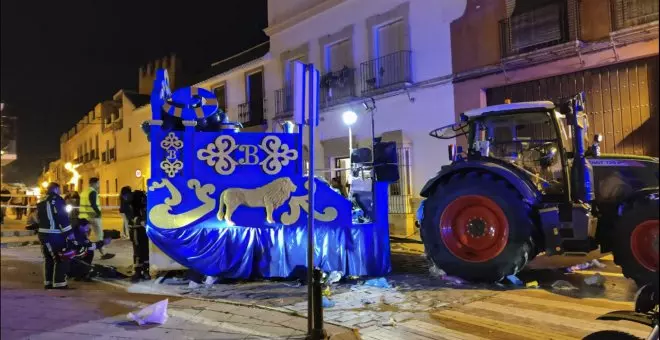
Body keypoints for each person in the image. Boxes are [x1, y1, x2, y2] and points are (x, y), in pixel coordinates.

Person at [37, 182, 74, 289]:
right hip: (54, 234)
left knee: (49, 259)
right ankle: (59, 283)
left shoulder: (41, 200)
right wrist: (69, 233)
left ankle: (48, 282)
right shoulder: (57, 200)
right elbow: (62, 217)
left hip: (43, 233)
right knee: (60, 258)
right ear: (56, 189)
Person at [79, 178, 114, 260]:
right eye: (98, 183)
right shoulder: (93, 192)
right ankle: (103, 253)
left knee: (85, 236)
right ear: (94, 183)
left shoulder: (84, 192)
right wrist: (99, 213)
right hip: (94, 216)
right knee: (99, 235)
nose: (99, 185)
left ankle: (81, 251)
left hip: (84, 216)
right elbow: (93, 205)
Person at [130, 190, 150, 282]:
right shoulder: (133, 207)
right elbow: (131, 219)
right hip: (136, 233)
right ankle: (138, 271)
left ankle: (146, 271)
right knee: (138, 252)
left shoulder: (145, 207)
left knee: (145, 251)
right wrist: (139, 221)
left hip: (144, 233)